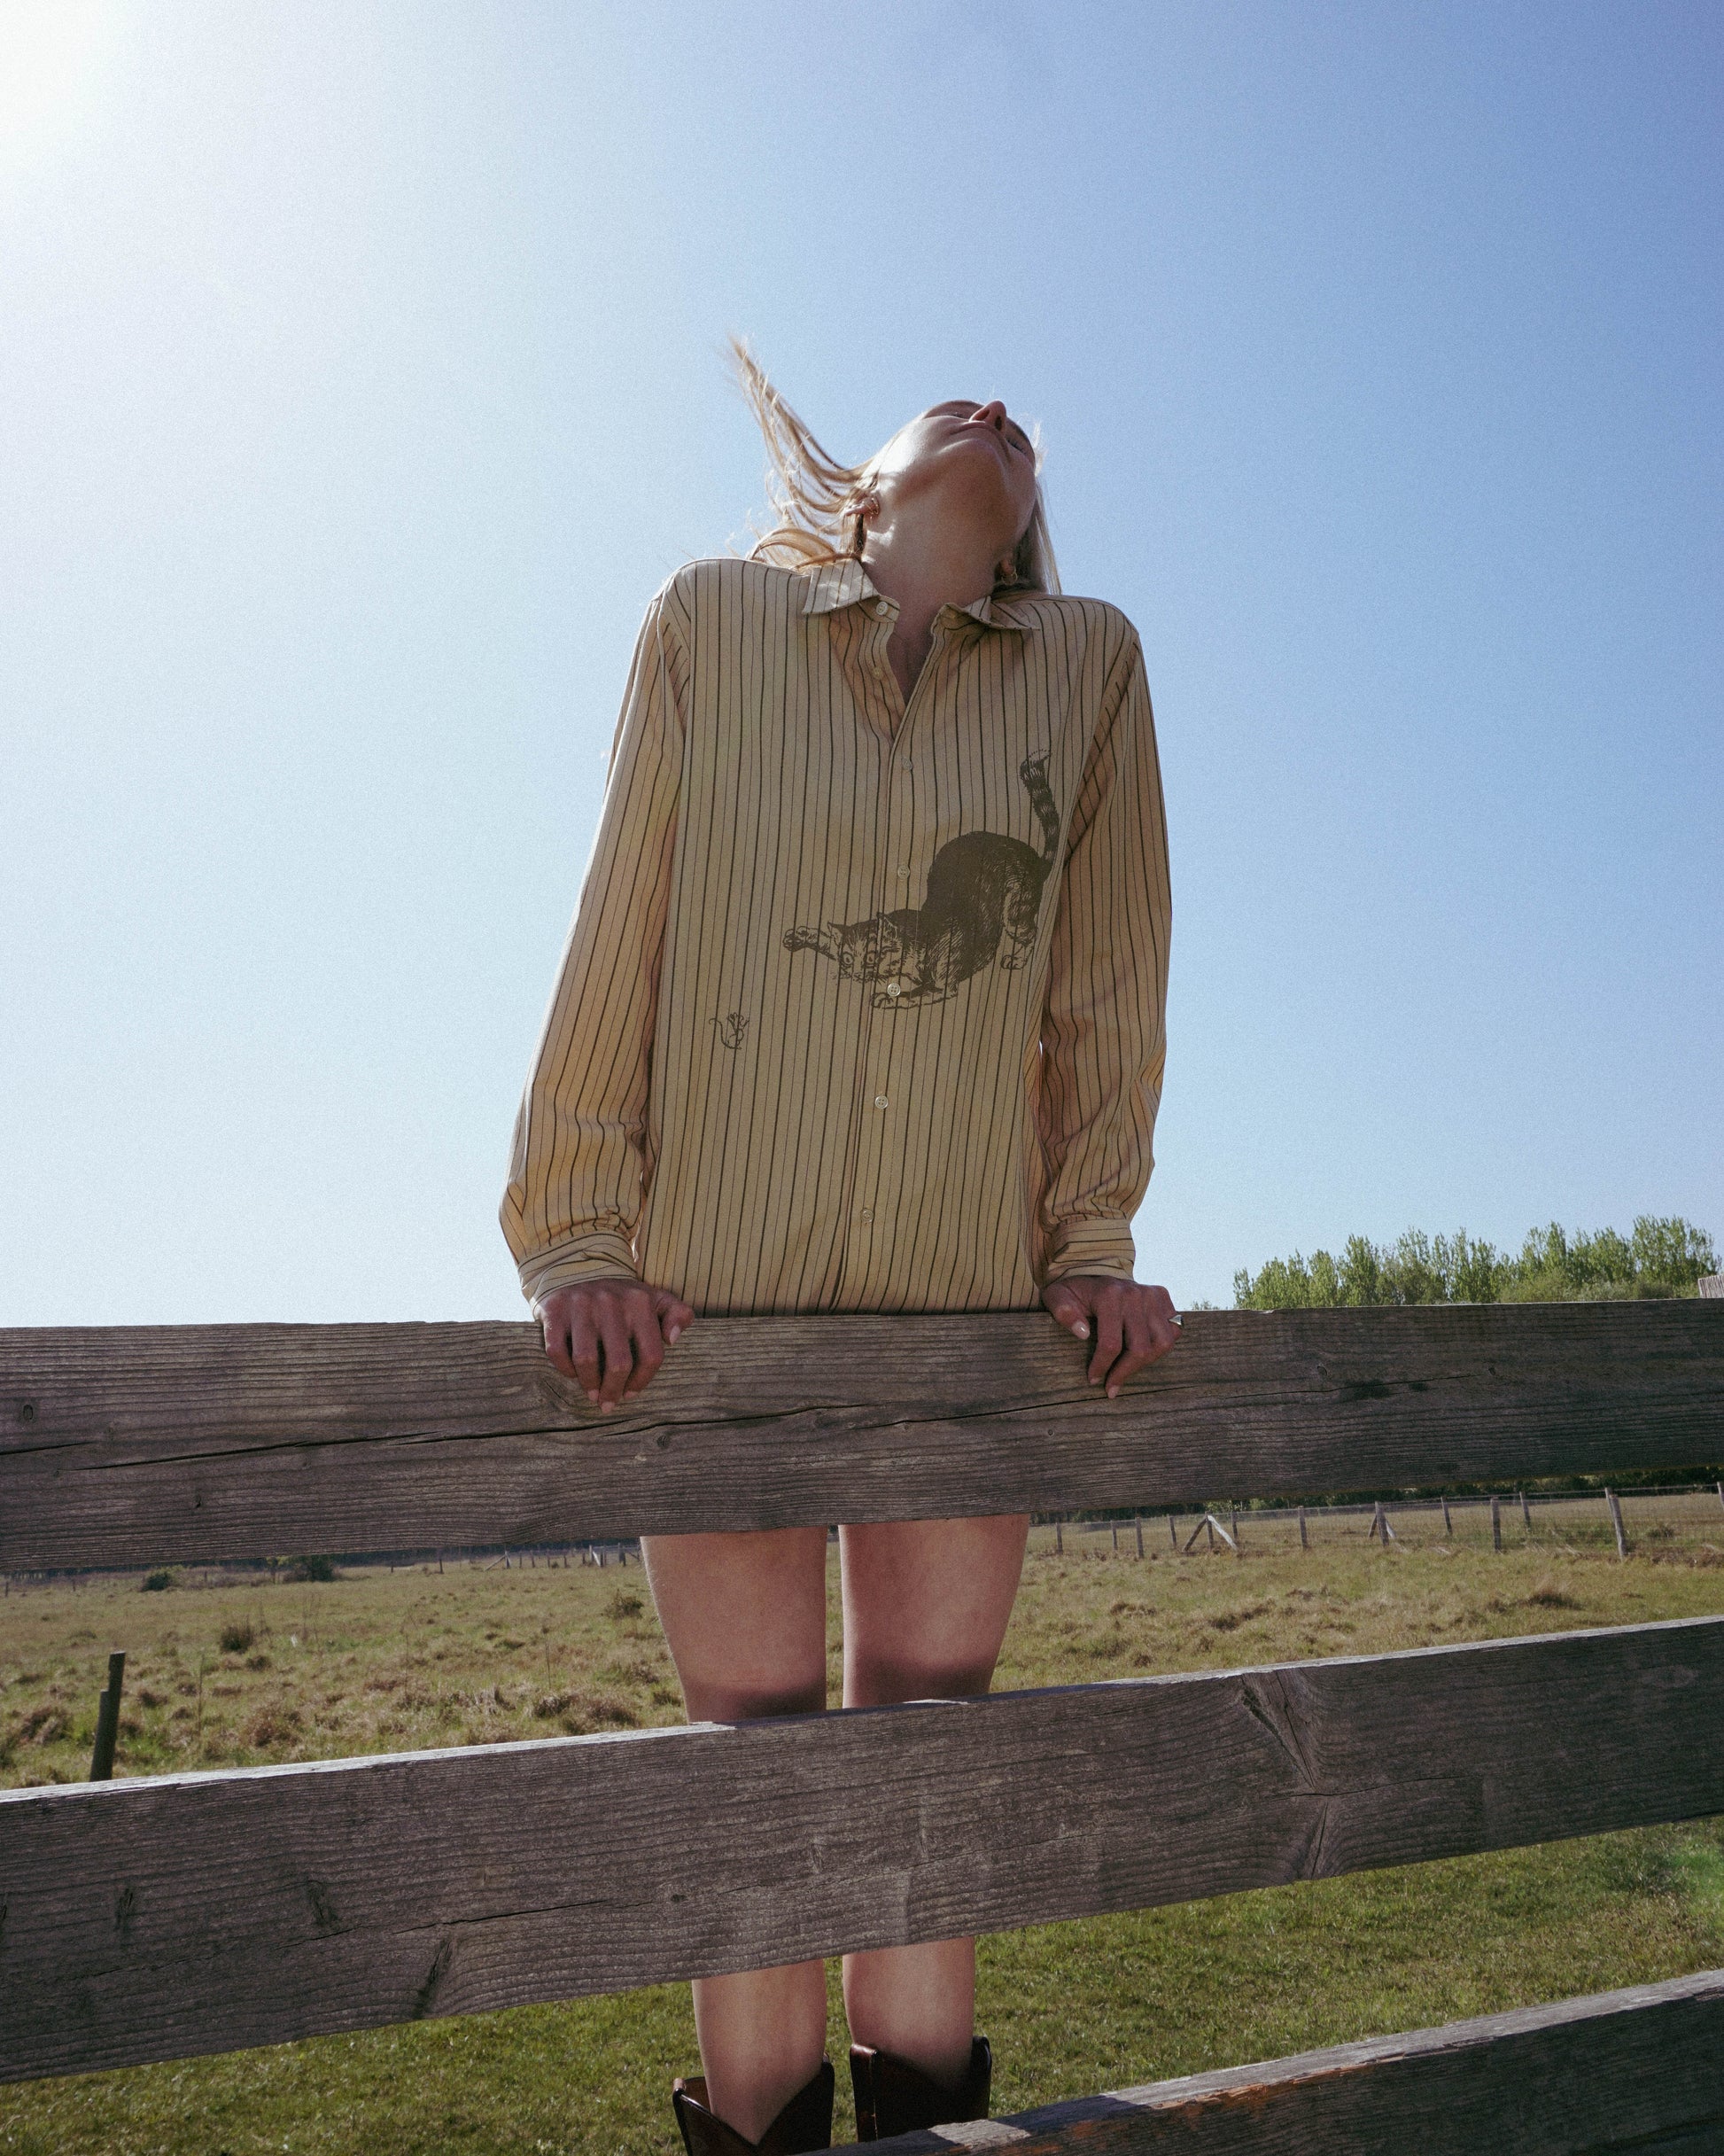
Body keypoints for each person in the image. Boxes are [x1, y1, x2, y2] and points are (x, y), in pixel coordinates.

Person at [501, 342, 1178, 2155]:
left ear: (1022, 530)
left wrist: (1091, 1234)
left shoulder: (1090, 665)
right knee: (754, 1755)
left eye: (1022, 431)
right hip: (708, 1300)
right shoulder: (711, 621)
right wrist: (575, 1232)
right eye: (947, 403)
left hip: (965, 1307)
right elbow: (623, 913)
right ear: (862, 486)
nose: (995, 405)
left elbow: (1107, 976)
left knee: (928, 1751)